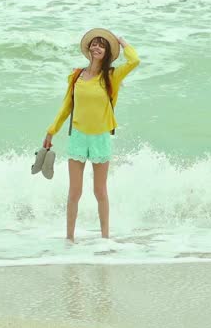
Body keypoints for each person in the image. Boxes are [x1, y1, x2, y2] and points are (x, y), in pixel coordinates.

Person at [43, 28, 140, 242]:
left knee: (100, 192)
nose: (97, 47)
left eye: (102, 45)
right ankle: (69, 239)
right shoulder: (76, 75)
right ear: (88, 48)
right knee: (74, 192)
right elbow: (66, 106)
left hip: (100, 138)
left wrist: (121, 41)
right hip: (78, 136)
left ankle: (105, 240)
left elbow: (134, 61)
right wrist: (51, 131)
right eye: (94, 44)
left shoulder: (111, 76)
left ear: (106, 52)